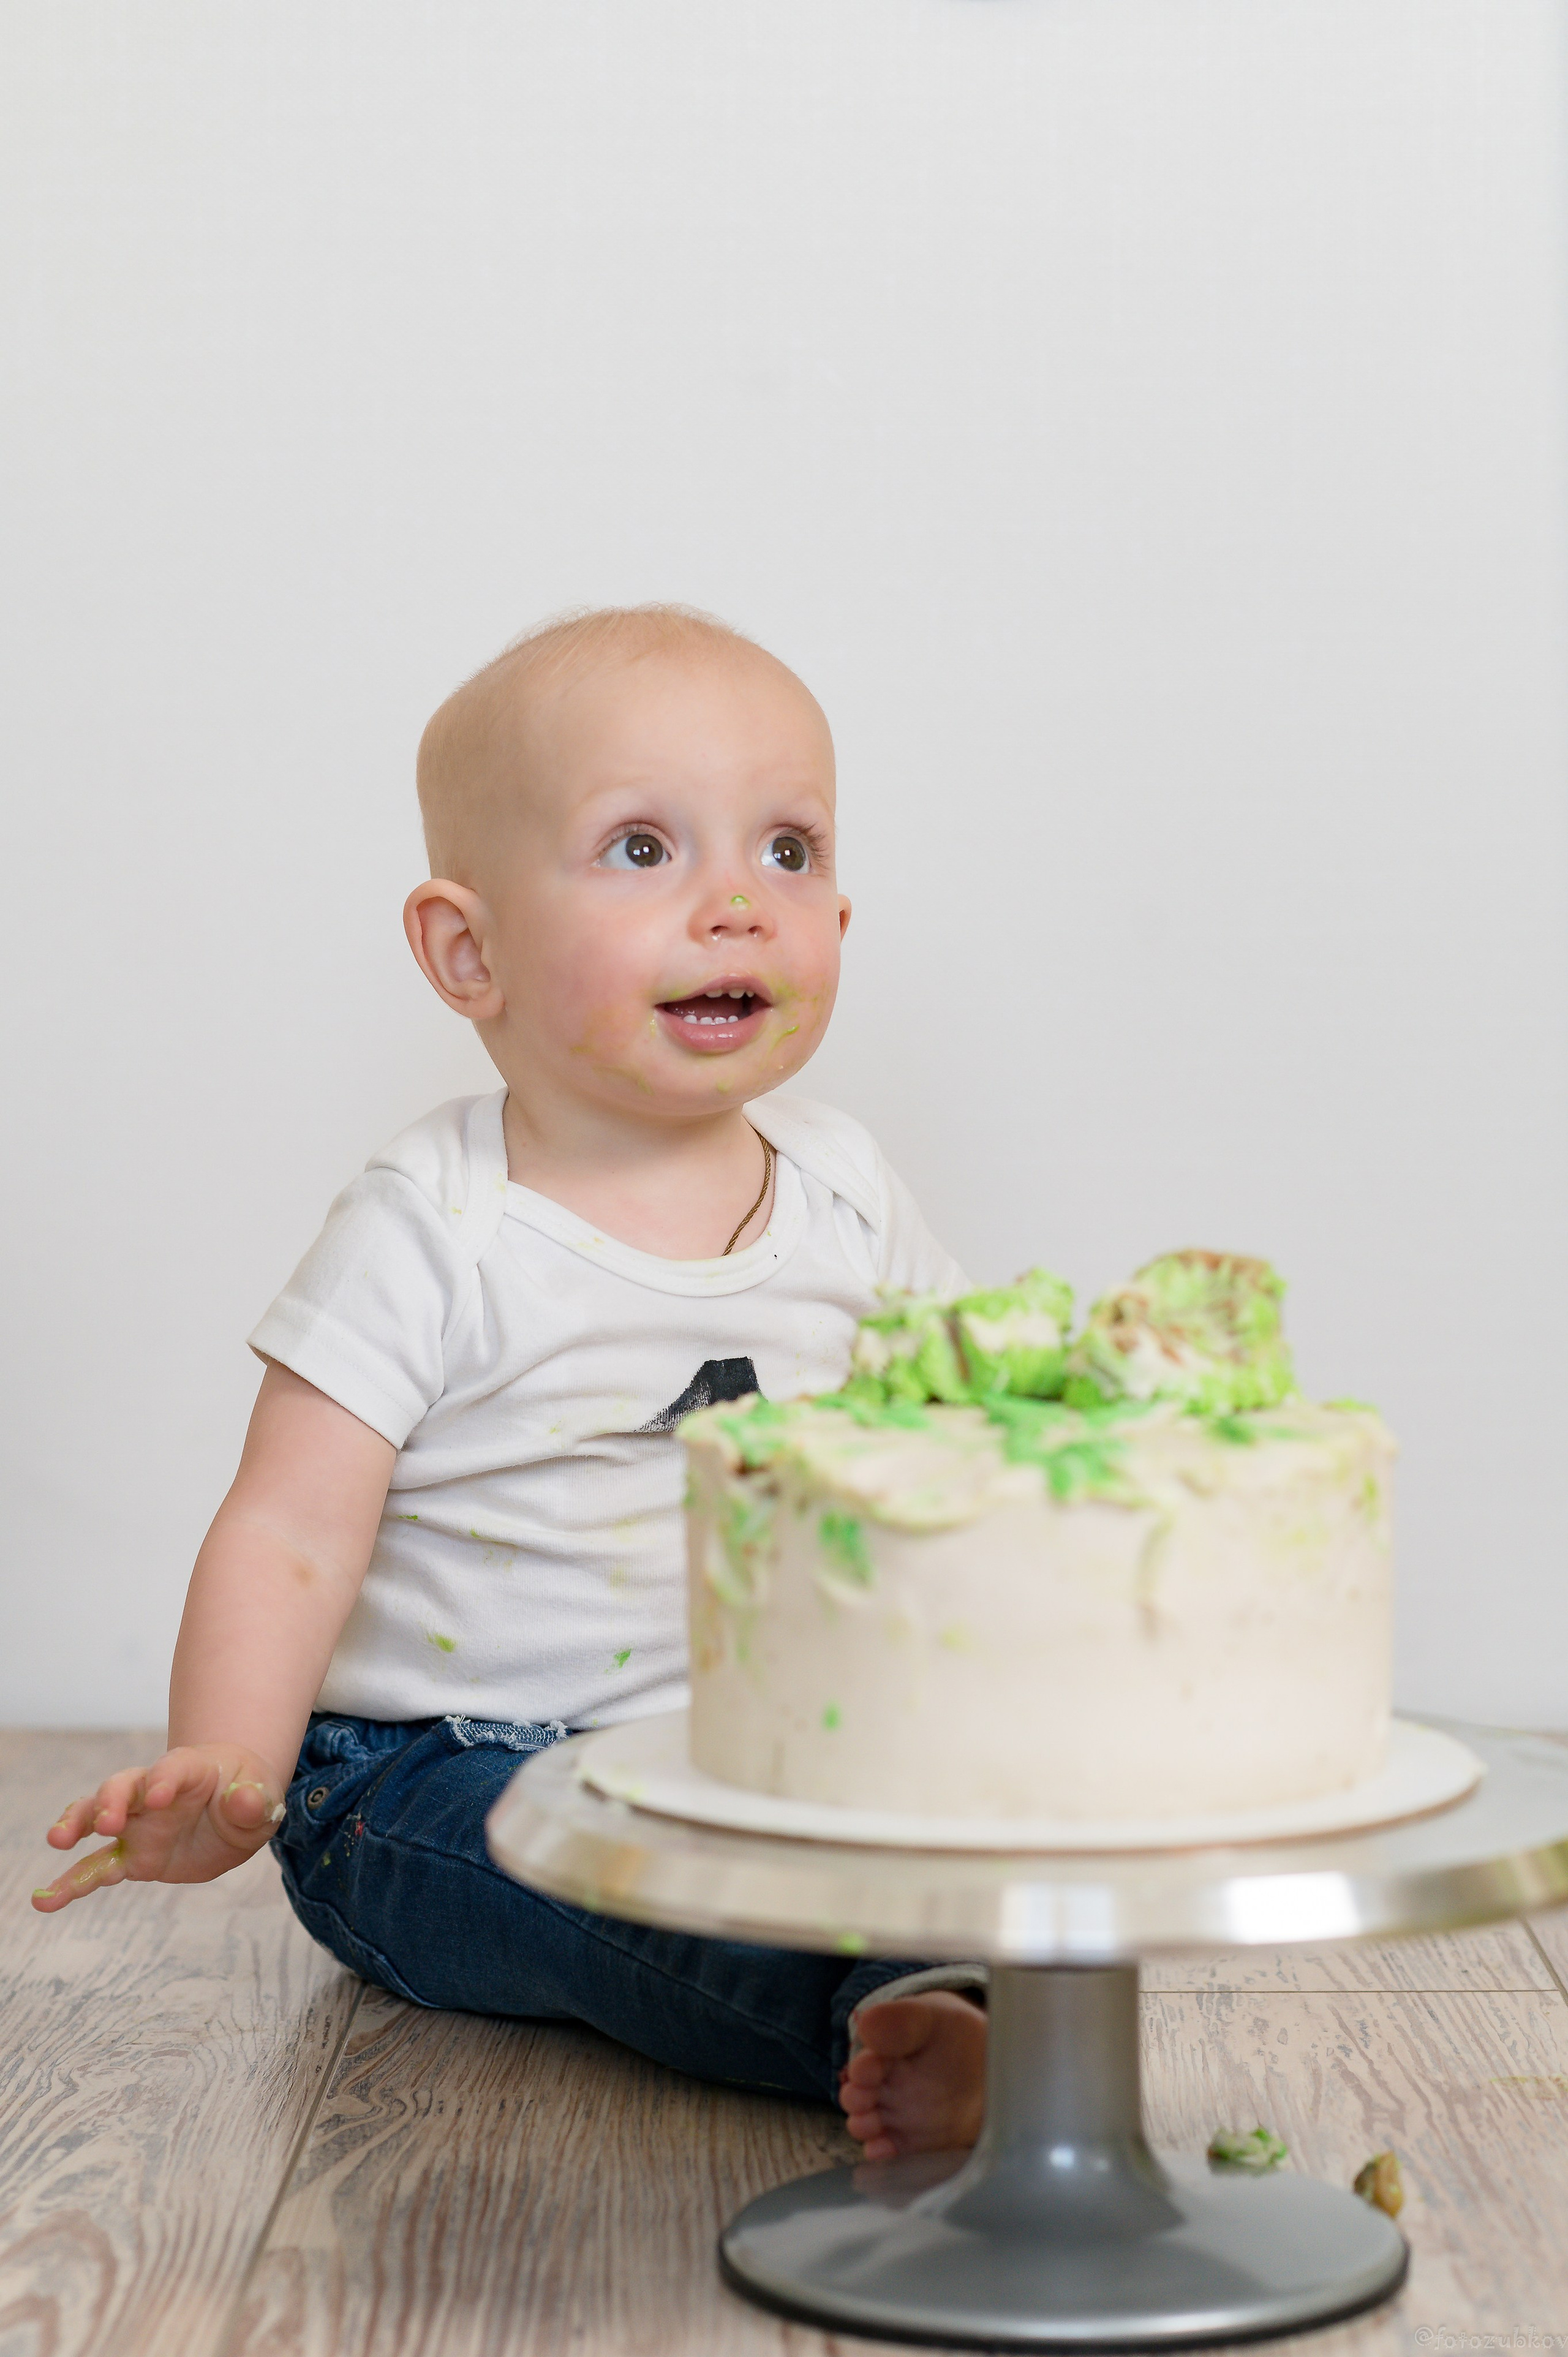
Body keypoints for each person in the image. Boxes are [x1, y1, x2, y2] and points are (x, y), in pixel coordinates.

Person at [34, 605, 987, 2160]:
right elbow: (288, 1529)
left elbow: (965, 1445)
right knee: (597, 1875)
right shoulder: (436, 1224)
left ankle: (950, 1982)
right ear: (466, 950)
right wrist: (231, 1760)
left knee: (981, 1798)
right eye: (641, 849)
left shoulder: (846, 1191)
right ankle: (869, 2022)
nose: (739, 903)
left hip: (760, 1746)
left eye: (789, 852)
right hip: (432, 1775)